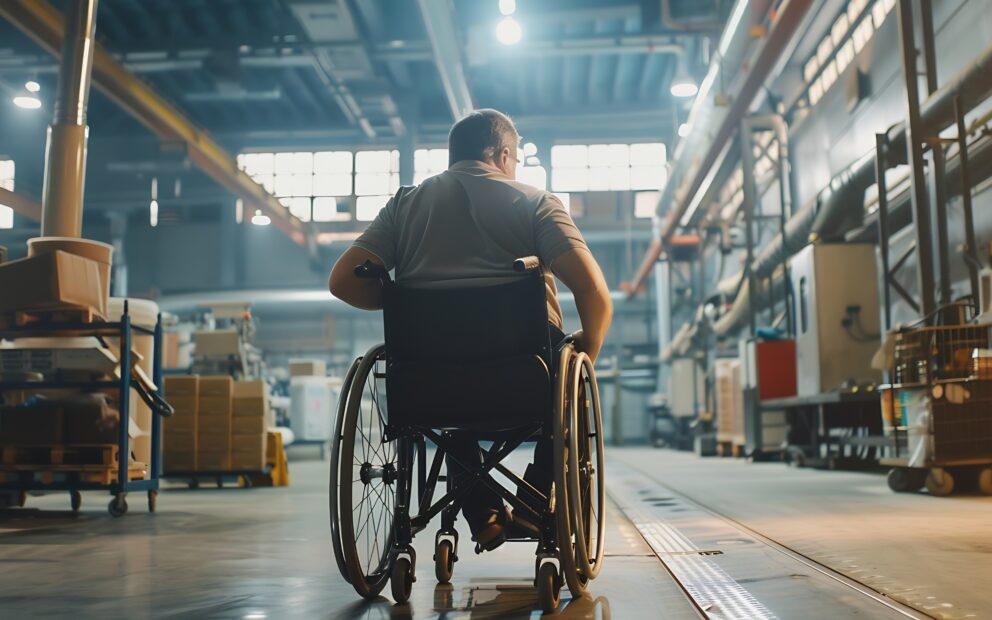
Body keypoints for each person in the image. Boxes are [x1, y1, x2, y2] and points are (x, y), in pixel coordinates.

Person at [329, 108, 613, 552]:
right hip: (525, 378)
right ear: (502, 155)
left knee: (452, 417)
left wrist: (410, 306)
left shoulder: (404, 205)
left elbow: (342, 281)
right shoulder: (536, 202)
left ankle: (483, 515)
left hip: (427, 382)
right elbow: (592, 290)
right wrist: (588, 348)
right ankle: (536, 508)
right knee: (567, 381)